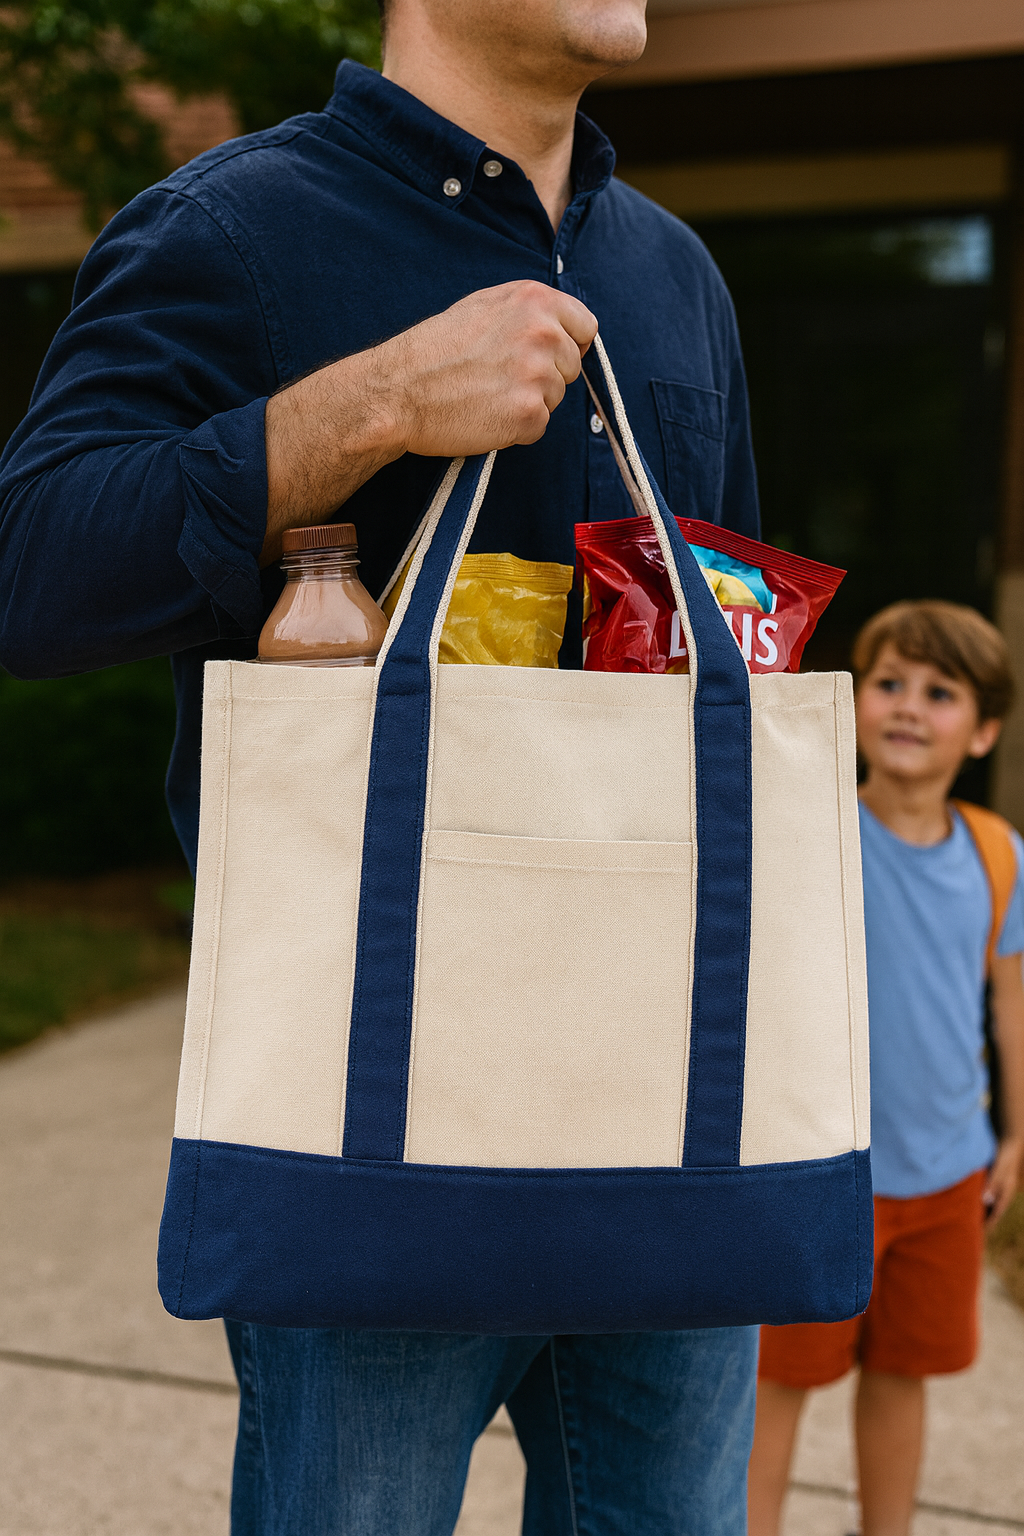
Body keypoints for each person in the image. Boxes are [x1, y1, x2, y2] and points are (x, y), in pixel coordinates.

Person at [0, 2, 765, 1531]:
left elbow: (729, 643)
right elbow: (36, 571)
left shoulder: (676, 277)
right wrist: (381, 403)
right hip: (362, 1106)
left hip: (670, 1098)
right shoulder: (233, 230)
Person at [748, 600, 1024, 1536]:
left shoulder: (1000, 855)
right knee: (776, 1383)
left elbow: (1009, 1004)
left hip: (947, 1172)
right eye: (890, 682)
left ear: (983, 731)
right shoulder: (812, 825)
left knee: (904, 1376)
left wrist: (1015, 1135)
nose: (908, 706)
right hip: (824, 1171)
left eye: (940, 693)